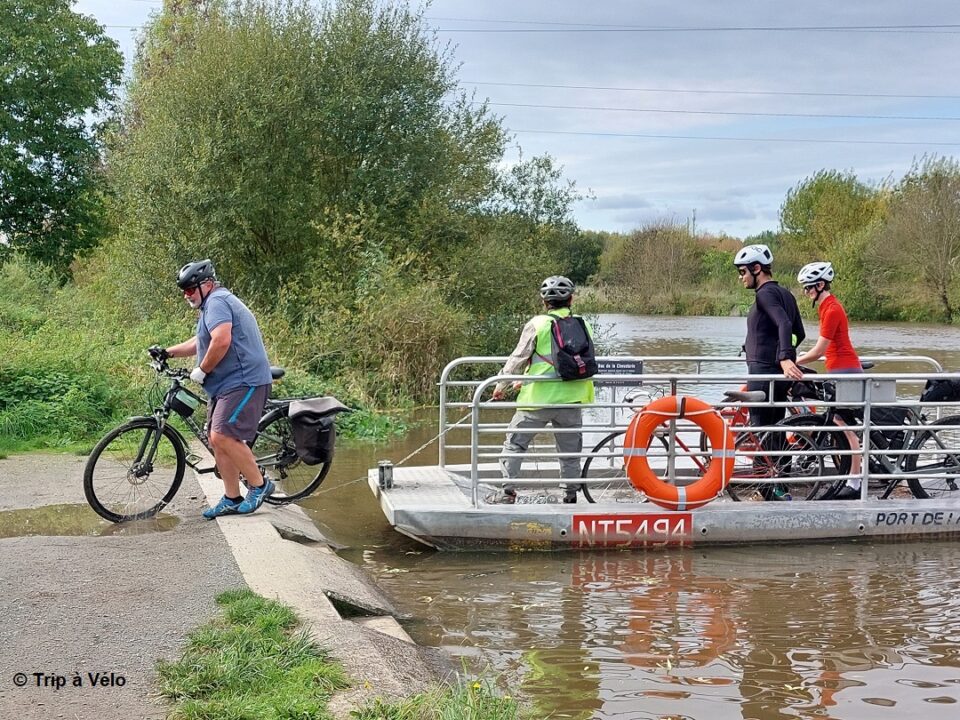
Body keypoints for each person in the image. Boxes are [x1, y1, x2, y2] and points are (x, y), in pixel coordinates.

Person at [155, 259, 276, 518]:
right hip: (227, 383)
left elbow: (221, 340)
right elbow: (201, 341)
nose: (187, 295)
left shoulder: (218, 302)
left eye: (190, 289)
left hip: (245, 380)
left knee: (222, 435)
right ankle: (232, 497)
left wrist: (203, 370)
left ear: (207, 284)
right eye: (184, 291)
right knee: (216, 437)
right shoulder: (210, 306)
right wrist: (168, 352)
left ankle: (260, 485)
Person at [492, 276, 595, 504]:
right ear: (572, 299)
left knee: (515, 443)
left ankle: (507, 492)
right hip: (572, 399)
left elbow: (517, 359)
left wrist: (501, 386)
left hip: (537, 399)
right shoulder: (583, 324)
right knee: (569, 451)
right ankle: (570, 495)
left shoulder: (537, 324)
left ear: (544, 301)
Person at [795, 260, 864, 500]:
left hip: (845, 371)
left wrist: (794, 361)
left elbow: (818, 350)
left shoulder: (832, 309)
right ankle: (851, 478)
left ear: (821, 285)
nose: (806, 293)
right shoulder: (825, 307)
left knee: (847, 429)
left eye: (808, 288)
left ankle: (855, 483)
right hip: (838, 370)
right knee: (841, 424)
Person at [734, 244, 806, 430]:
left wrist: (784, 357)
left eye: (743, 272)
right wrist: (779, 352)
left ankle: (761, 461)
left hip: (762, 373)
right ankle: (780, 461)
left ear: (757, 268)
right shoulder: (787, 295)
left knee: (761, 430)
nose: (741, 277)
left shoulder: (764, 294)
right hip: (778, 375)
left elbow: (784, 323)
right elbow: (798, 333)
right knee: (775, 431)